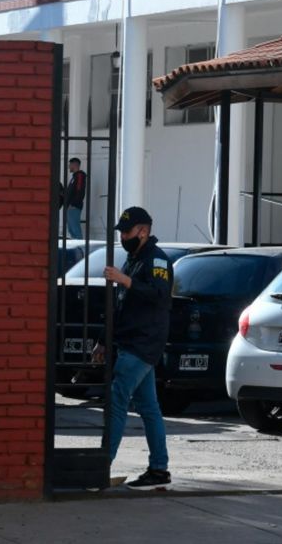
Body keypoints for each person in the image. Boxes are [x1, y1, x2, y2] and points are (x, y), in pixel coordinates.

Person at [94, 206, 173, 489]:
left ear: (143, 231)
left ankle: (102, 466)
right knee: (149, 408)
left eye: (127, 232)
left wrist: (126, 280)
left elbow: (160, 295)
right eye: (121, 232)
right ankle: (159, 469)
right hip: (130, 342)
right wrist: (104, 340)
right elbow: (120, 306)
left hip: (143, 344)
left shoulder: (156, 260)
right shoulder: (133, 260)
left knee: (116, 400)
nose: (123, 237)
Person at [64, 158, 87, 239]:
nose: (69, 167)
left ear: (75, 164)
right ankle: (76, 245)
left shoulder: (79, 175)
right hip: (70, 207)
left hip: (74, 206)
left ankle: (80, 245)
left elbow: (80, 190)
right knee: (71, 229)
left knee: (75, 229)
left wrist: (73, 204)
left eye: (70, 164)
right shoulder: (74, 177)